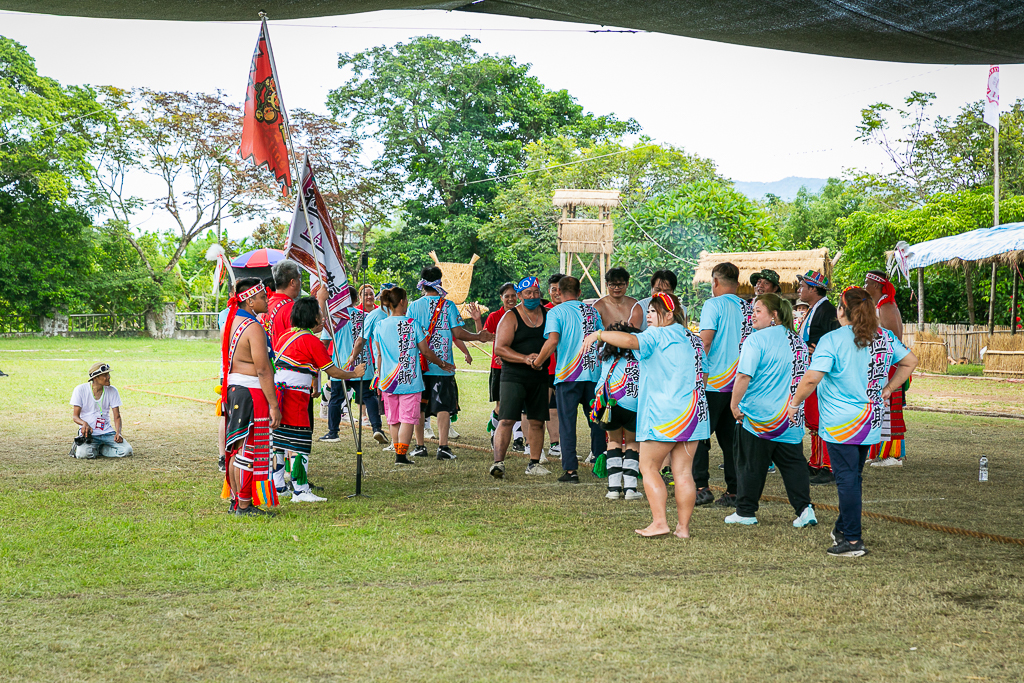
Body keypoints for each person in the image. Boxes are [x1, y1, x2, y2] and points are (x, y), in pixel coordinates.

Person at [788, 287, 917, 557]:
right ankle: (843, 530)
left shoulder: (833, 339)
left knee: (847, 480)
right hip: (871, 420)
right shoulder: (885, 337)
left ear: (842, 311)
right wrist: (890, 388)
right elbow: (910, 361)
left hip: (841, 422)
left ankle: (853, 541)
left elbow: (811, 378)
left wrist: (794, 403)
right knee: (853, 478)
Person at [583, 292, 708, 538]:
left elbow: (629, 342)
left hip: (664, 414)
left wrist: (597, 334)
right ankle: (683, 529)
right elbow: (703, 375)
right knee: (683, 472)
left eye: (653, 311)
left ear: (670, 314)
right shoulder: (693, 339)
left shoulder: (656, 335)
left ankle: (660, 522)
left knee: (648, 466)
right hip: (694, 414)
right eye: (648, 311)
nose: (648, 315)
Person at [728, 293, 816, 527]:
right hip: (790, 416)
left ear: (774, 315)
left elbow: (744, 375)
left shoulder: (756, 340)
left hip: (759, 417)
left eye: (758, 310)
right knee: (793, 465)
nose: (752, 315)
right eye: (752, 310)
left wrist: (734, 404)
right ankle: (805, 509)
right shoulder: (796, 340)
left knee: (750, 465)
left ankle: (745, 512)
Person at [272, 294, 366, 502]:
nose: (323, 318)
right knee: (298, 442)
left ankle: (278, 485)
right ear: (311, 317)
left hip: (279, 395)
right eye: (320, 314)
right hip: (295, 397)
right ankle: (300, 490)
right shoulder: (310, 341)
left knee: (279, 441)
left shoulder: (285, 336)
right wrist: (354, 373)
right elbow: (332, 371)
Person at [407, 266, 494, 460]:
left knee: (420, 407)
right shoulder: (448, 306)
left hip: (419, 365)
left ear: (422, 283)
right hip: (443, 366)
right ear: (440, 281)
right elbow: (458, 333)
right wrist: (477, 336)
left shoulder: (413, 306)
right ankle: (443, 447)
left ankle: (420, 446)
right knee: (443, 406)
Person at [372, 287, 455, 465]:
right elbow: (425, 351)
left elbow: (378, 355)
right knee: (408, 419)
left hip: (387, 381)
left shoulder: (380, 325)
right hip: (410, 381)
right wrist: (442, 363)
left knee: (393, 419)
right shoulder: (412, 324)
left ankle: (398, 453)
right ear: (402, 302)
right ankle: (401, 456)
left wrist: (379, 377)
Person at [533, 276, 605, 483]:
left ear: (558, 292)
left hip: (568, 375)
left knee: (567, 423)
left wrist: (538, 362)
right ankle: (600, 465)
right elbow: (601, 338)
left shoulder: (556, 312)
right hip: (594, 374)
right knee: (597, 422)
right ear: (580, 292)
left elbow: (552, 341)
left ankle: (571, 471)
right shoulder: (592, 311)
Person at [220, 277, 282, 516]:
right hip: (251, 392)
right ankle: (244, 505)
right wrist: (274, 405)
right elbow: (263, 369)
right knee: (250, 449)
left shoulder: (234, 321)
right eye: (263, 296)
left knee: (238, 449)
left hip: (236, 390)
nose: (267, 299)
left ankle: (238, 501)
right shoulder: (253, 327)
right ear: (250, 301)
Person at [693, 262, 751, 508]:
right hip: (740, 383)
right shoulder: (748, 307)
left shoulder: (713, 304)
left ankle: (700, 487)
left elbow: (705, 341)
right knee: (731, 442)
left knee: (698, 437)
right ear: (737, 283)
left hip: (713, 382)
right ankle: (734, 490)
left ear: (715, 282)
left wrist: (695, 373)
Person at [489, 276, 552, 478]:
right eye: (528, 293)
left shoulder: (549, 315)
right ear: (520, 296)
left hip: (540, 375)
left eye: (536, 292)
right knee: (506, 419)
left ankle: (534, 463)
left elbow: (555, 341)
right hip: (513, 375)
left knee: (537, 420)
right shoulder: (510, 317)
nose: (533, 296)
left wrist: (539, 360)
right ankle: (498, 462)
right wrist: (525, 359)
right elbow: (500, 348)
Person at [320, 288, 386, 446]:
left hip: (341, 366)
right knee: (369, 397)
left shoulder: (334, 318)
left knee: (336, 399)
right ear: (357, 299)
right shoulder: (366, 316)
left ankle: (333, 432)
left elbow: (324, 342)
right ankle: (377, 428)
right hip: (364, 365)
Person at [796, 269, 841, 486]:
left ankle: (828, 466)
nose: (799, 289)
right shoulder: (815, 309)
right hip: (812, 369)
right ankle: (816, 462)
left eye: (803, 286)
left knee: (821, 418)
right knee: (814, 419)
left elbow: (835, 339)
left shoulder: (828, 311)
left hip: (821, 372)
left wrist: (821, 351)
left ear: (813, 289)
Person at [591, 321, 642, 500]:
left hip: (610, 403)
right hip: (635, 403)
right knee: (632, 443)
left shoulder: (607, 352)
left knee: (613, 442)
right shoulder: (639, 350)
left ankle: (613, 489)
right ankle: (630, 489)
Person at [864, 270, 908, 467]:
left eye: (867, 282)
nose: (864, 286)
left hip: (889, 367)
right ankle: (879, 451)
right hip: (882, 365)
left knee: (889, 409)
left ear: (875, 285)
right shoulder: (881, 305)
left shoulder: (886, 306)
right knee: (880, 410)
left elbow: (894, 340)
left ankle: (894, 455)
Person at [356, 282, 397, 447]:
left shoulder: (374, 315)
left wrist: (352, 357)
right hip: (403, 365)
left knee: (388, 402)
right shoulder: (406, 312)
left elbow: (361, 340)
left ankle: (396, 440)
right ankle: (407, 440)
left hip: (384, 365)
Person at [484, 283, 523, 444]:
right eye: (507, 296)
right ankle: (495, 430)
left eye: (514, 295)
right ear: (501, 298)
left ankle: (518, 438)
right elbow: (485, 336)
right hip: (499, 367)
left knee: (519, 404)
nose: (511, 299)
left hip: (519, 365)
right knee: (502, 406)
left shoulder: (524, 314)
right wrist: (477, 321)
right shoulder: (495, 316)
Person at [69, 363, 133, 459]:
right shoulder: (80, 390)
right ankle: (88, 448)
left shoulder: (112, 390)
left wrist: (118, 432)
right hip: (89, 433)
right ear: (95, 378)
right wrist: (84, 423)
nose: (108, 377)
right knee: (82, 455)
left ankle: (100, 449)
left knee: (127, 451)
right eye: (105, 375)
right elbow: (75, 416)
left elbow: (117, 416)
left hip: (107, 432)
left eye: (108, 374)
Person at [267, 259, 303, 348]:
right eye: (299, 278)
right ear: (293, 282)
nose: (300, 282)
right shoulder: (292, 308)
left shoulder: (266, 304)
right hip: (286, 360)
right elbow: (301, 341)